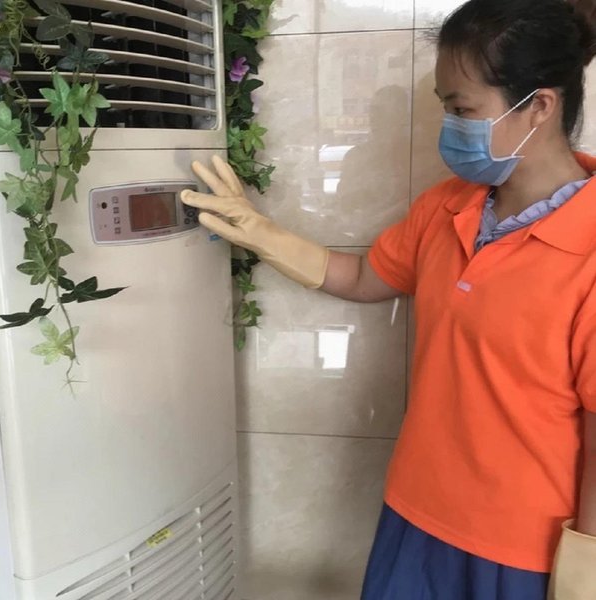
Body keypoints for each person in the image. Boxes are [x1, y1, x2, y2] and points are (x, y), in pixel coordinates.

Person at [181, 0, 596, 597]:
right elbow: (361, 278)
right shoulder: (447, 207)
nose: (449, 126)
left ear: (540, 106)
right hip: (415, 513)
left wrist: (585, 569)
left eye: (463, 109)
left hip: (521, 549)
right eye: (445, 106)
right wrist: (260, 231)